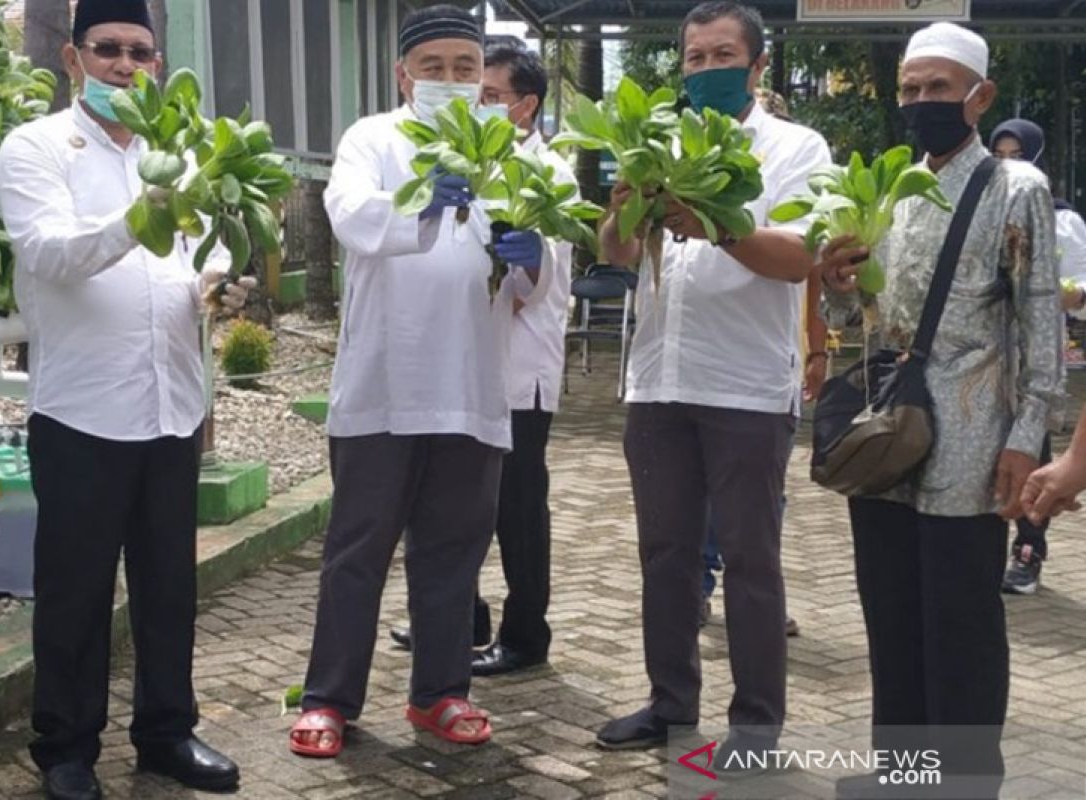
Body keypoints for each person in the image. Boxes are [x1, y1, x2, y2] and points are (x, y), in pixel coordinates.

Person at [0, 1, 249, 797]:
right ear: (74, 60)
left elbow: (181, 270)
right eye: (108, 50)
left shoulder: (175, 156)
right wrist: (143, 215)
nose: (126, 66)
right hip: (82, 414)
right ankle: (66, 749)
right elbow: (50, 252)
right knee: (76, 591)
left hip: (172, 407)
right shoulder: (37, 148)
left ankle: (166, 734)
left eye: (142, 53)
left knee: (170, 586)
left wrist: (218, 286)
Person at [289, 5, 552, 758]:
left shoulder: (512, 150)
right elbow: (350, 218)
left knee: (453, 549)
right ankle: (330, 698)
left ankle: (440, 693)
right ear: (403, 74)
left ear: (483, 79)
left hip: (472, 384)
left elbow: (536, 283)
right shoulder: (372, 139)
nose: (449, 80)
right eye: (432, 67)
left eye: (465, 69)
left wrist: (533, 255)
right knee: (358, 548)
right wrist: (421, 203)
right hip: (383, 380)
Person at [818, 23, 1062, 798]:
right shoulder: (893, 186)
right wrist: (838, 281)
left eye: (940, 88)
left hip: (972, 433)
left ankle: (962, 783)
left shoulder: (1013, 188)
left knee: (959, 621)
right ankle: (902, 775)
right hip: (890, 429)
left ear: (980, 97)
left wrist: (1028, 437)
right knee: (890, 613)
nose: (924, 102)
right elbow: (864, 311)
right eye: (912, 90)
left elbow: (1040, 329)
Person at [593, 1, 832, 773]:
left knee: (751, 560)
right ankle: (670, 704)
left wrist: (714, 223)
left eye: (722, 55)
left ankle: (756, 727)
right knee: (665, 554)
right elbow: (618, 254)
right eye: (693, 58)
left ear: (757, 67)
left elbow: (803, 258)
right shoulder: (656, 143)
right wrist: (628, 201)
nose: (705, 69)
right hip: (660, 381)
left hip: (747, 388)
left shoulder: (797, 148)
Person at [388, 35, 576, 677]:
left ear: (524, 109)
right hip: (459, 367)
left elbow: (529, 288)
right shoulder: (462, 162)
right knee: (447, 502)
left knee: (516, 509)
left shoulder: (544, 172)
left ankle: (527, 634)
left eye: (490, 95)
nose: (476, 104)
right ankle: (457, 620)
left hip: (517, 369)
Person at [699, 87, 825, 638]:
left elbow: (811, 274)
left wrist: (818, 350)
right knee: (702, 498)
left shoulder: (799, 165)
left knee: (764, 499)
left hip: (773, 364)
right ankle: (701, 587)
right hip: (700, 369)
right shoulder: (695, 160)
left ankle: (756, 597)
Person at [989, 118, 1082, 594]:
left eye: (1018, 155)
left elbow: (1081, 284)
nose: (1009, 165)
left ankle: (1028, 551)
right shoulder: (980, 208)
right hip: (988, 360)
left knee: (1034, 446)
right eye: (1000, 155)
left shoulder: (1061, 218)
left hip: (1036, 354)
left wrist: (1066, 296)